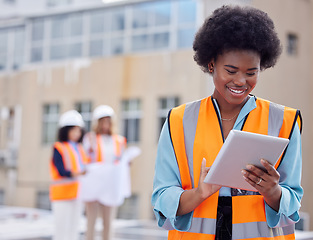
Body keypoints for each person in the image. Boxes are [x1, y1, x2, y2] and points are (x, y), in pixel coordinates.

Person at [151, 5, 303, 240]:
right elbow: (162, 198)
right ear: (211, 64)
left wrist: (273, 191)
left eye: (251, 72)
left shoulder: (285, 120)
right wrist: (200, 193)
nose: (241, 81)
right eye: (231, 70)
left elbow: (293, 201)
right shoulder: (178, 121)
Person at [83, 105, 127, 240]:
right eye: (102, 121)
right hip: (94, 185)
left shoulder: (118, 140)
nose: (105, 124)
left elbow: (121, 160)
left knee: (108, 222)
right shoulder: (90, 138)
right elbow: (84, 159)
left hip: (110, 185)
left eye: (108, 121)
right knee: (91, 221)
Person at [49, 110, 88, 240]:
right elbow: (60, 170)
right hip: (62, 195)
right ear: (65, 130)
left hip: (77, 194)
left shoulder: (80, 148)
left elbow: (86, 166)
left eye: (79, 130)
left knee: (74, 230)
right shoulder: (58, 147)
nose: (77, 133)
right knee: (61, 231)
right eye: (73, 130)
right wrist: (77, 173)